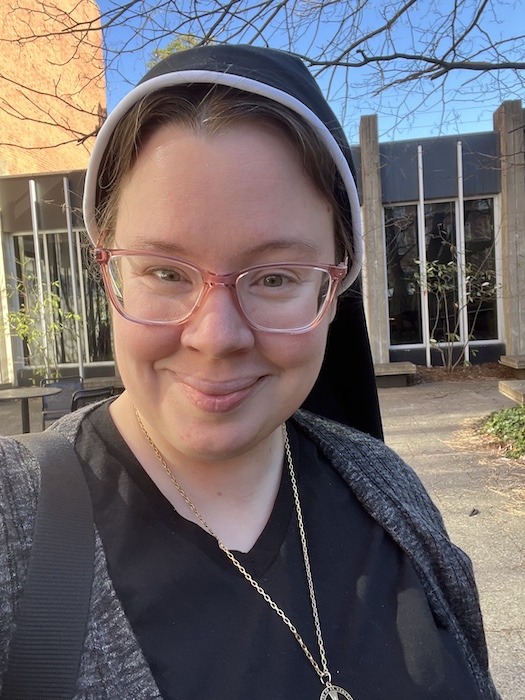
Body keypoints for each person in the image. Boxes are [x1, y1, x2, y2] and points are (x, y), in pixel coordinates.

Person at [0, 45, 500, 699]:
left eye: (272, 277)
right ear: (107, 271)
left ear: (334, 286)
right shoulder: (14, 520)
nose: (216, 337)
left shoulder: (390, 493)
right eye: (164, 271)